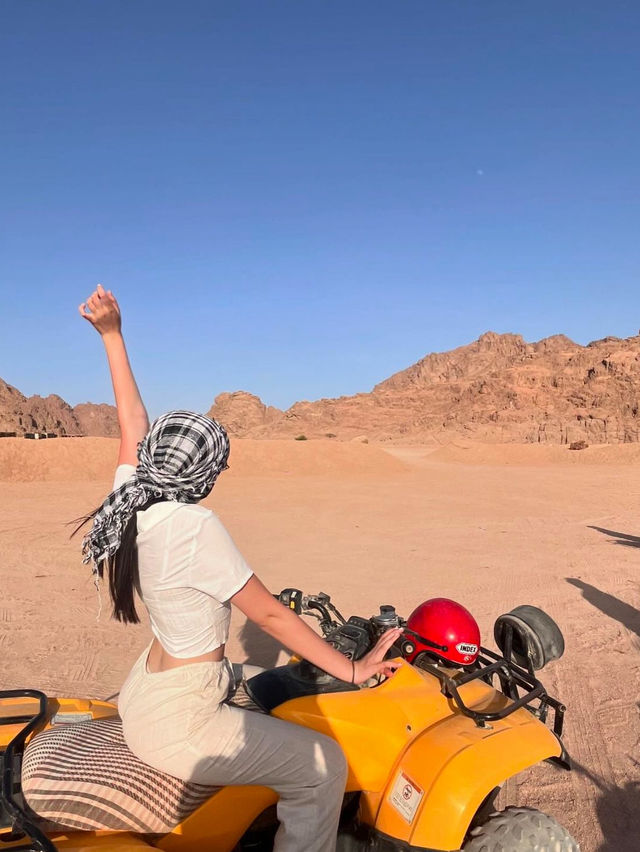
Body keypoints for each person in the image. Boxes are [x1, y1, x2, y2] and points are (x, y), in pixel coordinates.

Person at [75, 284, 402, 852]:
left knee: (281, 685)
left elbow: (132, 421)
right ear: (206, 472)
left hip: (152, 689)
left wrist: (111, 334)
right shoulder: (193, 527)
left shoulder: (132, 497)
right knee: (322, 765)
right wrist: (353, 671)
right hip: (183, 716)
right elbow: (272, 616)